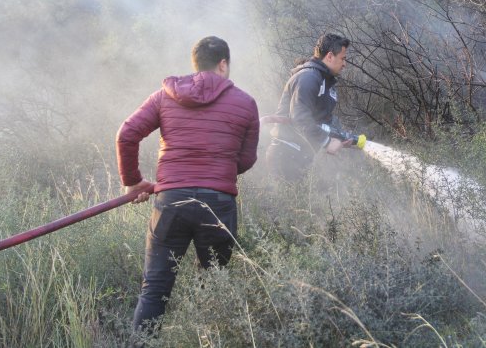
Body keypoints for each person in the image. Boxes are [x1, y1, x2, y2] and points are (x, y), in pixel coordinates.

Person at [116, 36, 260, 340]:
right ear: (223, 64)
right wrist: (216, 170)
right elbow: (245, 160)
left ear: (195, 65)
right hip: (218, 205)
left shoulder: (163, 97)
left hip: (171, 202)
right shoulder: (246, 103)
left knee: (154, 290)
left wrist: (132, 181)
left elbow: (127, 135)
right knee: (213, 290)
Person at [264, 33, 352, 182]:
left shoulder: (325, 83)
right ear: (330, 56)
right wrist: (326, 142)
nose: (345, 64)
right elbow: (300, 116)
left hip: (301, 156)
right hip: (286, 154)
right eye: (342, 58)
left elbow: (323, 121)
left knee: (305, 203)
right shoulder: (309, 77)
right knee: (292, 203)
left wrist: (341, 137)